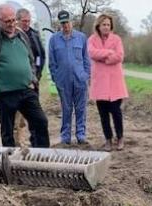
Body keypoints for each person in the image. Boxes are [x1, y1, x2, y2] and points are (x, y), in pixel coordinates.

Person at [0, 4, 49, 148]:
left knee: (41, 121)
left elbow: (30, 59)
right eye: (8, 21)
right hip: (4, 93)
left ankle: (43, 157)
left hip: (26, 90)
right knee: (8, 132)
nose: (12, 24)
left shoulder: (21, 35)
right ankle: (10, 163)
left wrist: (33, 78)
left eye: (13, 20)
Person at [48, 10, 91, 145]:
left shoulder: (81, 37)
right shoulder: (54, 39)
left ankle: (81, 135)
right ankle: (65, 136)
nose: (65, 25)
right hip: (63, 81)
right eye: (62, 23)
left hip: (80, 79)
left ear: (71, 21)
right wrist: (57, 78)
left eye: (67, 22)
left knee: (81, 108)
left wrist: (86, 75)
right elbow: (52, 62)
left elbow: (86, 59)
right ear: (60, 24)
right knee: (66, 109)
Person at [88, 14, 128, 152]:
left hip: (115, 84)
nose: (106, 27)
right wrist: (108, 52)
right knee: (103, 114)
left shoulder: (116, 39)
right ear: (98, 25)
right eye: (104, 24)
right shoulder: (92, 39)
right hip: (100, 84)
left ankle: (120, 137)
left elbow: (120, 56)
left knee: (116, 113)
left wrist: (105, 59)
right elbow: (92, 53)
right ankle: (108, 140)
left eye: (108, 25)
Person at [13, 7, 46, 147]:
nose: (26, 23)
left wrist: (36, 77)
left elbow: (40, 56)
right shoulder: (12, 35)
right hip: (16, 84)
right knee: (16, 119)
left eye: (28, 21)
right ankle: (16, 144)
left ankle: (35, 143)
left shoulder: (34, 34)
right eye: (24, 21)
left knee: (35, 117)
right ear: (17, 20)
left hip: (32, 83)